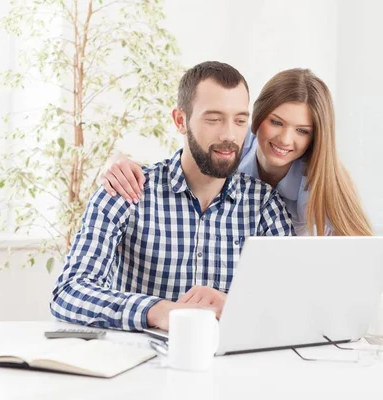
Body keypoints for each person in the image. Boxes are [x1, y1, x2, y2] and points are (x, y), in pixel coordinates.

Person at [102, 68, 383, 290]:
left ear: (315, 136)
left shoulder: (320, 181)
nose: (285, 139)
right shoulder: (233, 144)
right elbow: (183, 166)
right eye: (276, 122)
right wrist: (117, 163)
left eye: (302, 130)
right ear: (257, 118)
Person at [50, 61, 294, 332]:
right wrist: (158, 311)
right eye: (213, 119)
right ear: (180, 120)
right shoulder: (128, 190)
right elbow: (68, 293)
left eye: (239, 120)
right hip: (142, 365)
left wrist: (236, 306)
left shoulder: (264, 205)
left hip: (231, 368)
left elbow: (292, 304)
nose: (229, 135)